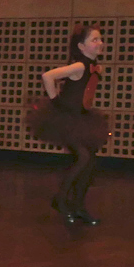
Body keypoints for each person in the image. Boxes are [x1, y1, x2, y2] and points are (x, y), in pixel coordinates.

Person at [28, 24, 110, 224]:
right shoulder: (79, 66)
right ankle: (60, 198)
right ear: (81, 46)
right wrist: (55, 101)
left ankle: (79, 206)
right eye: (94, 40)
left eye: (100, 39)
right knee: (84, 158)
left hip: (82, 118)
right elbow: (48, 76)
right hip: (66, 119)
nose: (100, 43)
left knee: (90, 162)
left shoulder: (95, 66)